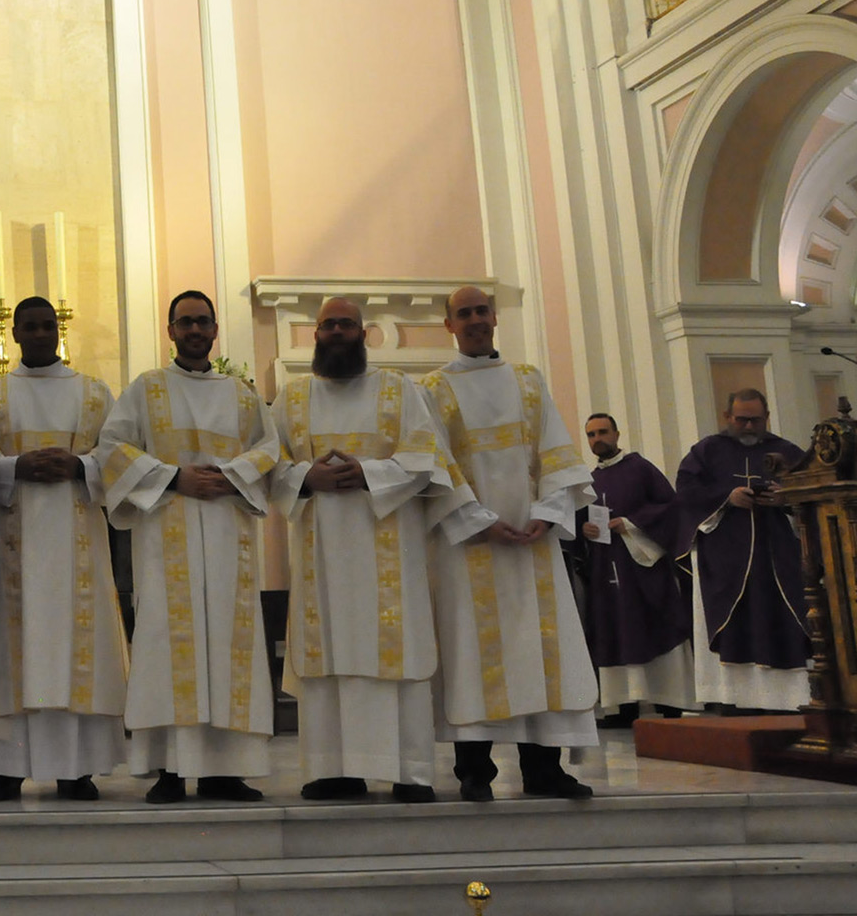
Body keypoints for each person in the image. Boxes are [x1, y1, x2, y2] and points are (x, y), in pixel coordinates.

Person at [269, 297, 474, 803]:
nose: (337, 332)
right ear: (314, 335)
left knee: (395, 656)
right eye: (328, 325)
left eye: (347, 324)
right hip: (320, 558)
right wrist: (306, 475)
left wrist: (368, 472)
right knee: (329, 658)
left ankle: (409, 770)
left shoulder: (400, 390)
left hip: (390, 554)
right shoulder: (291, 400)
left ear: (364, 334)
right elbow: (266, 467)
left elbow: (429, 459)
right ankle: (331, 769)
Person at [98, 290, 277, 804]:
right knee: (165, 645)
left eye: (203, 321)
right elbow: (112, 447)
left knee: (227, 645)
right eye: (185, 322)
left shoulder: (242, 395)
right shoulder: (146, 390)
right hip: (166, 537)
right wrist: (175, 478)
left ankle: (226, 770)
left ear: (215, 330)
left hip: (228, 539)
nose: (195, 330)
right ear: (170, 331)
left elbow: (269, 450)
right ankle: (169, 769)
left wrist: (232, 474)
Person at [421, 286, 597, 801]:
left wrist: (545, 515)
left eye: (481, 311)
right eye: (463, 314)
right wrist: (479, 521)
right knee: (471, 654)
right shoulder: (431, 389)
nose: (475, 320)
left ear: (495, 317)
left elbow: (556, 454)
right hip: (470, 548)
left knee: (539, 651)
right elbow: (435, 466)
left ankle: (544, 769)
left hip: (532, 546)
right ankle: (474, 770)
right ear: (449, 325)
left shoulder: (528, 380)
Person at [0, 295, 125, 803]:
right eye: (28, 327)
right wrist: (16, 469)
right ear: (12, 334)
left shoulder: (95, 394)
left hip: (77, 539)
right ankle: (6, 768)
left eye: (45, 326)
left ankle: (75, 768)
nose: (38, 334)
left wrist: (80, 467)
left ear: (58, 331)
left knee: (71, 651)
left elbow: (120, 454)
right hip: (9, 544)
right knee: (10, 651)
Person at [674, 389, 811, 712]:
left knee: (785, 617)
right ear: (727, 417)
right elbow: (686, 491)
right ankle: (736, 700)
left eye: (756, 420)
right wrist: (727, 496)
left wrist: (785, 498)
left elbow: (811, 491)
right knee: (735, 623)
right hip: (725, 558)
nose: (749, 426)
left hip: (778, 554)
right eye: (742, 419)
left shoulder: (787, 452)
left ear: (767, 417)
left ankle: (789, 700)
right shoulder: (707, 451)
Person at [579, 413, 693, 726]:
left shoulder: (640, 468)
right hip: (607, 570)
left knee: (656, 624)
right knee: (614, 630)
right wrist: (586, 530)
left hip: (642, 568)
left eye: (603, 432)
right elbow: (580, 522)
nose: (597, 439)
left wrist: (629, 524)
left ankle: (670, 703)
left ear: (617, 433)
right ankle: (623, 707)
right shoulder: (589, 481)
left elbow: (671, 506)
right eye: (591, 435)